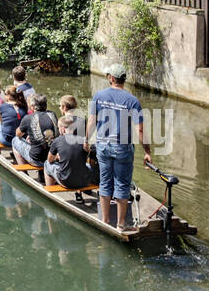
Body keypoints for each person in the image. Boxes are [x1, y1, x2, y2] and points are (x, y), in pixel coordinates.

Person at [85, 65, 153, 231]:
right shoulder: (132, 101)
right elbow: (140, 129)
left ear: (111, 78)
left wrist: (85, 140)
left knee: (105, 183)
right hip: (122, 147)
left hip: (103, 146)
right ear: (124, 79)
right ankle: (121, 224)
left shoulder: (99, 96)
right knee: (122, 185)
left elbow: (92, 121)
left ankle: (105, 220)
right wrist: (147, 152)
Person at [45, 115, 99, 190]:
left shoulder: (57, 140)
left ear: (63, 129)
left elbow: (50, 159)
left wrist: (57, 157)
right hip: (84, 181)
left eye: (58, 128)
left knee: (47, 164)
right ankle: (82, 194)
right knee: (86, 165)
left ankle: (49, 190)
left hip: (66, 182)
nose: (58, 130)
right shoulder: (83, 141)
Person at [11, 92, 57, 167]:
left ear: (32, 106)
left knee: (15, 140)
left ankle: (23, 170)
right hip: (52, 157)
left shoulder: (28, 118)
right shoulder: (52, 114)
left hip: (36, 159)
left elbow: (18, 134)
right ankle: (41, 174)